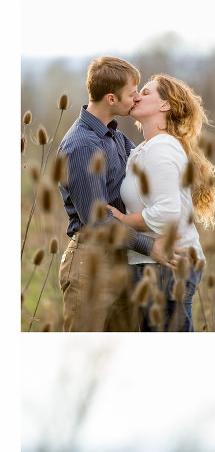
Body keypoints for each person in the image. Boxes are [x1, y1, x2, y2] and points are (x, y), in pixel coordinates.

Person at [57, 56, 175, 331]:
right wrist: (151, 247)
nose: (136, 98)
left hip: (123, 257)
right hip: (92, 263)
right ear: (111, 99)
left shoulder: (115, 137)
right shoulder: (83, 145)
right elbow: (98, 222)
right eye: (132, 93)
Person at [108, 74, 215, 332]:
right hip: (154, 266)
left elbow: (167, 212)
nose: (137, 96)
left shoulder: (161, 148)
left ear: (165, 105)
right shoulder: (143, 149)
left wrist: (122, 221)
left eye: (146, 93)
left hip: (169, 268)